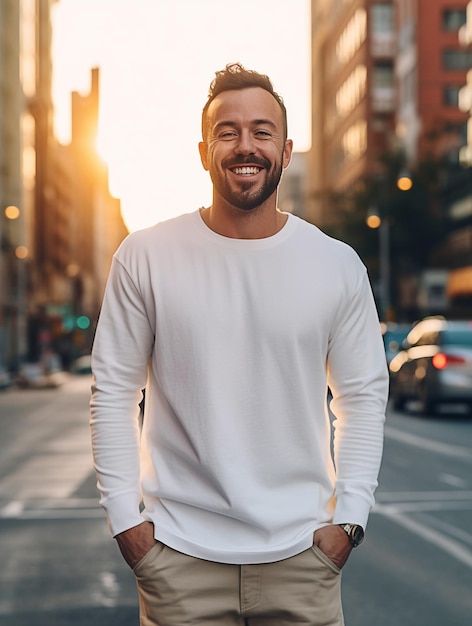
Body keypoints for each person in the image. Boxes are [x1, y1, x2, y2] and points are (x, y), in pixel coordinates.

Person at [90, 62, 389, 625]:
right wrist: (127, 524)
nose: (244, 145)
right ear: (204, 151)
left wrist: (349, 520)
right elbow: (113, 393)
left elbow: (363, 397)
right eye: (227, 132)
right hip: (179, 561)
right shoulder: (145, 256)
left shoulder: (335, 264)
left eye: (261, 131)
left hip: (303, 559)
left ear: (286, 149)